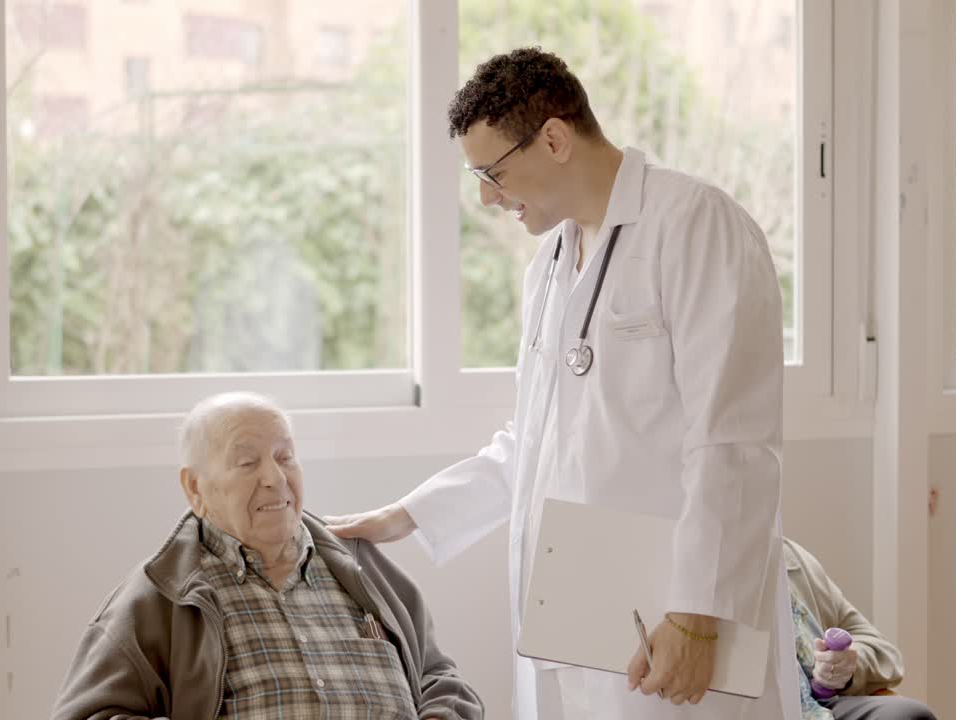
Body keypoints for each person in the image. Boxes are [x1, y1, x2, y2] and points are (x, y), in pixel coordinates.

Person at [326, 47, 799, 719]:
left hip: (674, 617)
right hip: (578, 611)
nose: (488, 197)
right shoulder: (549, 263)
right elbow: (535, 441)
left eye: (493, 173)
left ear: (553, 137)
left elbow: (734, 440)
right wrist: (407, 516)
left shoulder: (694, 223)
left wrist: (698, 615)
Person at [51, 392, 483, 720]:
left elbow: (439, 680)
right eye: (246, 463)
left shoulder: (363, 568)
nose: (275, 479)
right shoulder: (156, 598)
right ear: (195, 488)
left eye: (285, 457)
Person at [784, 538, 936, 720]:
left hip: (816, 707)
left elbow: (884, 653)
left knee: (907, 715)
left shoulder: (791, 558)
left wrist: (845, 666)